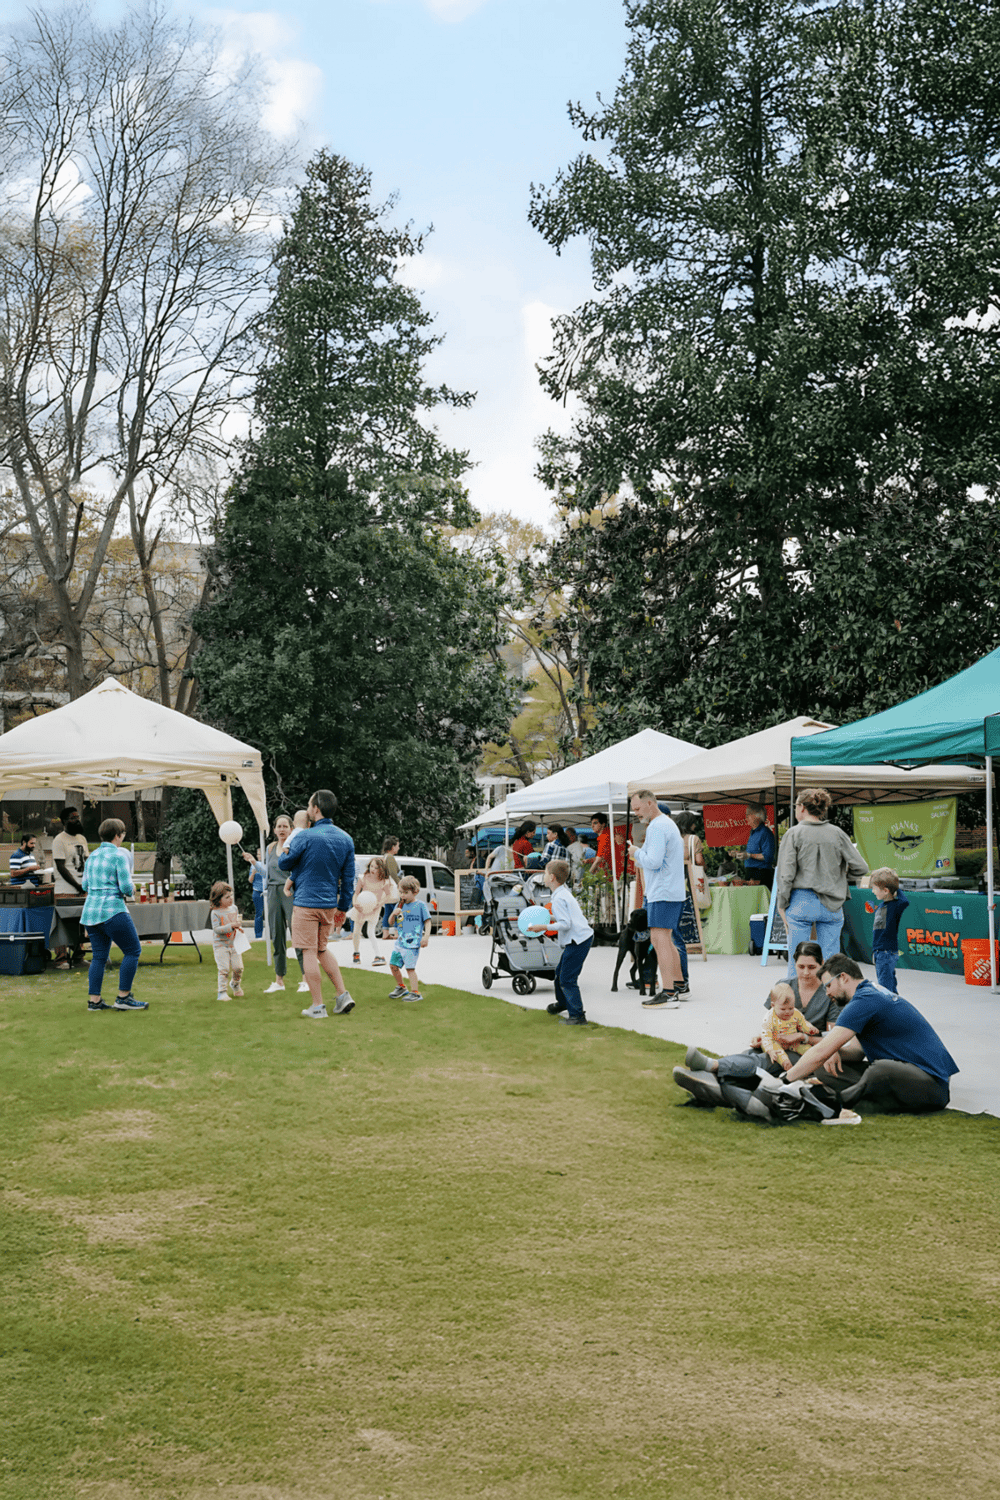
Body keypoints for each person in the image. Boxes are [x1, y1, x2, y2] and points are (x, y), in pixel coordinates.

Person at [783, 954, 958, 1112]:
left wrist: (784, 1081)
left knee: (881, 1070)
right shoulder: (870, 993)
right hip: (909, 1077)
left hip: (932, 1085)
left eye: (828, 985)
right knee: (825, 1067)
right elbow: (856, 1052)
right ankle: (869, 1098)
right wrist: (833, 1051)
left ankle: (835, 1103)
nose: (827, 992)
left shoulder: (864, 1000)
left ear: (843, 977)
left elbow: (821, 1051)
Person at [277, 789, 356, 1019]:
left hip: (306, 903)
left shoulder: (305, 836)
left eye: (309, 805)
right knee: (322, 949)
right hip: (329, 904)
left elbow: (284, 863)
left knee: (309, 952)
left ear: (316, 809)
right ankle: (342, 995)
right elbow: (348, 878)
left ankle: (318, 1006)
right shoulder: (345, 838)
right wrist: (343, 908)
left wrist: (292, 838)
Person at [775, 787, 869, 977]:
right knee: (831, 962)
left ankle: (798, 995)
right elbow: (861, 867)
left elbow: (786, 875)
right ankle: (830, 994)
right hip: (832, 903)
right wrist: (840, 877)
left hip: (801, 901)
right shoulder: (837, 833)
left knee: (798, 961)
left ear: (802, 807)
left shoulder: (793, 834)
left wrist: (782, 903)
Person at [628, 790, 687, 1007]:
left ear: (650, 804)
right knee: (666, 940)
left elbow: (653, 861)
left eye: (637, 808)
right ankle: (679, 985)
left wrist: (636, 852)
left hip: (662, 891)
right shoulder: (667, 824)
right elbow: (657, 860)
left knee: (659, 940)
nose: (636, 813)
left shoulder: (656, 827)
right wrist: (640, 855)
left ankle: (669, 992)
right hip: (670, 890)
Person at [81, 818, 146, 1011]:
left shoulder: (92, 856)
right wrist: (133, 888)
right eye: (123, 833)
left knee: (99, 957)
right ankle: (123, 997)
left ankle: (94, 1001)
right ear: (118, 835)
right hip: (112, 910)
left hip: (91, 913)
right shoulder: (119, 856)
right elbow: (126, 887)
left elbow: (84, 885)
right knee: (133, 951)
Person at [244, 814, 307, 996]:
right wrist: (253, 862)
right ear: (274, 829)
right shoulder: (270, 848)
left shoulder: (295, 846)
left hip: (290, 893)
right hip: (272, 893)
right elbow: (266, 873)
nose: (281, 829)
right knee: (276, 936)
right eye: (279, 826)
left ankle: (305, 979)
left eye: (285, 826)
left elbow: (300, 871)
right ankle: (279, 980)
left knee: (297, 936)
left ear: (291, 829)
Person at [541, 857, 594, 1025]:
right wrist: (546, 917)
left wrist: (543, 926)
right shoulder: (562, 892)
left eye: (545, 873)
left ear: (552, 878)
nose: (543, 876)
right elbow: (564, 917)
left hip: (578, 941)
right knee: (559, 974)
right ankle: (563, 1003)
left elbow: (565, 924)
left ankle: (577, 1015)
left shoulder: (558, 898)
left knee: (567, 978)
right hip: (580, 938)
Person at [52, 805, 90, 968]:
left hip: (82, 889)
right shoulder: (59, 840)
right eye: (73, 818)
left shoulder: (82, 838)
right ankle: (61, 958)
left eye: (77, 817)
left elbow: (86, 862)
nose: (77, 820)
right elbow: (61, 867)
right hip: (65, 890)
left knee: (80, 924)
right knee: (63, 925)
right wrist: (77, 885)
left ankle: (78, 956)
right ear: (64, 821)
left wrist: (86, 883)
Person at [386, 874, 432, 1001]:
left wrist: (426, 937)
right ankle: (401, 987)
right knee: (393, 965)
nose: (403, 895)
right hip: (399, 944)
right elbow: (391, 922)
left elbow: (428, 921)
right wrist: (393, 914)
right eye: (401, 892)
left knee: (410, 968)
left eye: (406, 893)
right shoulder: (399, 906)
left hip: (412, 945)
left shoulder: (420, 905)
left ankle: (415, 993)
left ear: (415, 892)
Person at [757, 981, 821, 1070]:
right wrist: (770, 1050)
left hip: (792, 1040)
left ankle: (814, 1062)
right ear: (773, 1005)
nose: (787, 1012)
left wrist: (810, 1028)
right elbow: (766, 1036)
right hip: (776, 1041)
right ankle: (786, 1064)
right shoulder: (769, 1018)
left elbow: (802, 1022)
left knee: (808, 1050)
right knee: (777, 1052)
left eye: (790, 1008)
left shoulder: (795, 1013)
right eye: (783, 1009)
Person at [869, 866, 909, 995]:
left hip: (886, 952)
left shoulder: (895, 906)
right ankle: (895, 1004)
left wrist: (896, 889)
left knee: (885, 987)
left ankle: (888, 1005)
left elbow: (905, 902)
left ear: (886, 890)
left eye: (874, 888)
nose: (872, 891)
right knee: (889, 983)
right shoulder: (882, 905)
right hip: (879, 951)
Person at [352, 856, 397, 967]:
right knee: (356, 931)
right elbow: (356, 894)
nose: (373, 869)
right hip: (361, 907)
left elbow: (388, 895)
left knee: (370, 932)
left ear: (381, 869)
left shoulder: (384, 881)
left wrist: (379, 904)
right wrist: (355, 903)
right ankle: (356, 953)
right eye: (371, 866)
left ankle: (378, 955)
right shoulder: (363, 878)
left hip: (374, 908)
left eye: (376, 867)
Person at [209, 880, 245, 1001]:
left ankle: (235, 984)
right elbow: (216, 929)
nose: (231, 899)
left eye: (231, 896)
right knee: (224, 969)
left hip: (234, 943)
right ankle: (222, 992)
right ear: (219, 899)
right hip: (221, 945)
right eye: (227, 897)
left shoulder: (234, 908)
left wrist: (238, 927)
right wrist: (231, 926)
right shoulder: (215, 913)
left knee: (238, 967)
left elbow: (236, 922)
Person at [743, 804, 776, 889]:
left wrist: (749, 855)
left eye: (748, 814)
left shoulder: (766, 833)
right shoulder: (753, 832)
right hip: (751, 872)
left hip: (760, 874)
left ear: (757, 816)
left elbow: (767, 856)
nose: (746, 817)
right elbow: (751, 853)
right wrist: (741, 855)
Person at [381, 837, 401, 934]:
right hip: (393, 888)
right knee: (398, 910)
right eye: (397, 846)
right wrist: (400, 884)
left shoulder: (384, 857)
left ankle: (385, 933)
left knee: (388, 911)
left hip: (387, 888)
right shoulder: (390, 857)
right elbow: (393, 873)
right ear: (392, 847)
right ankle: (397, 932)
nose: (398, 848)